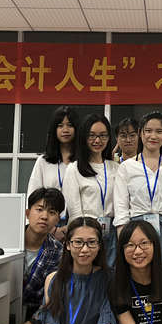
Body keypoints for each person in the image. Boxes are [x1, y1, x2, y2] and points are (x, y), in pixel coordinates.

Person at [9, 187, 65, 324]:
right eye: (39, 209)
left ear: (57, 219)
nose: (44, 216)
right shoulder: (8, 240)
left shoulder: (58, 252)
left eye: (52, 212)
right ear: (27, 213)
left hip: (35, 308)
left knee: (57, 314)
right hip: (5, 304)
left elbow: (54, 296)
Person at [113, 111, 162, 268]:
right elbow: (121, 208)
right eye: (148, 131)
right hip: (136, 228)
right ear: (141, 133)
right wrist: (123, 239)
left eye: (159, 131)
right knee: (138, 274)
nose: (153, 136)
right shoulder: (127, 167)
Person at [63, 113, 119, 268]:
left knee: (110, 276)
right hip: (86, 235)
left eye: (103, 135)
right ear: (84, 137)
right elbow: (74, 211)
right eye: (92, 135)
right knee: (88, 273)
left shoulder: (116, 168)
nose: (97, 140)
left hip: (112, 233)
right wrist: (83, 236)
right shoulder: (74, 169)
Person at [28, 106, 79, 241]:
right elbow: (33, 197)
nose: (65, 130)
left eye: (70, 125)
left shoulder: (83, 162)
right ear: (54, 130)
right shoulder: (43, 161)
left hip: (77, 225)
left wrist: (70, 227)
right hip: (47, 224)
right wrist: (51, 229)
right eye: (60, 126)